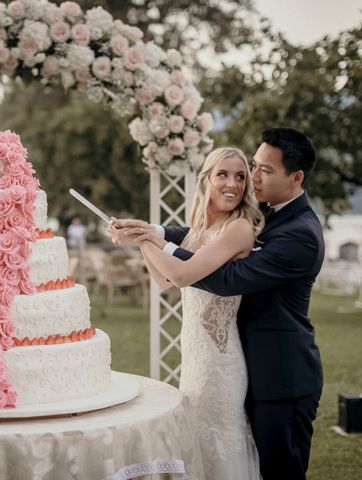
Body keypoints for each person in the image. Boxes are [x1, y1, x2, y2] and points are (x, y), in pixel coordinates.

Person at [110, 128, 324, 480]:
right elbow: (196, 237)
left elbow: (224, 278)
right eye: (252, 167)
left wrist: (149, 241)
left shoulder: (300, 234)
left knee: (280, 471)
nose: (251, 179)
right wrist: (152, 232)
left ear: (295, 177)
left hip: (282, 376)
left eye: (263, 171)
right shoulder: (268, 211)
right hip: (237, 361)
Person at [112, 146, 264, 479]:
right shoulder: (199, 230)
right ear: (206, 180)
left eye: (240, 176)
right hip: (195, 354)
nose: (233, 184)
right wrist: (143, 239)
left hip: (220, 364)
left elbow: (182, 274)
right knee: (195, 438)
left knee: (216, 441)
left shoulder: (238, 228)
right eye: (222, 174)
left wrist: (145, 238)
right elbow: (163, 280)